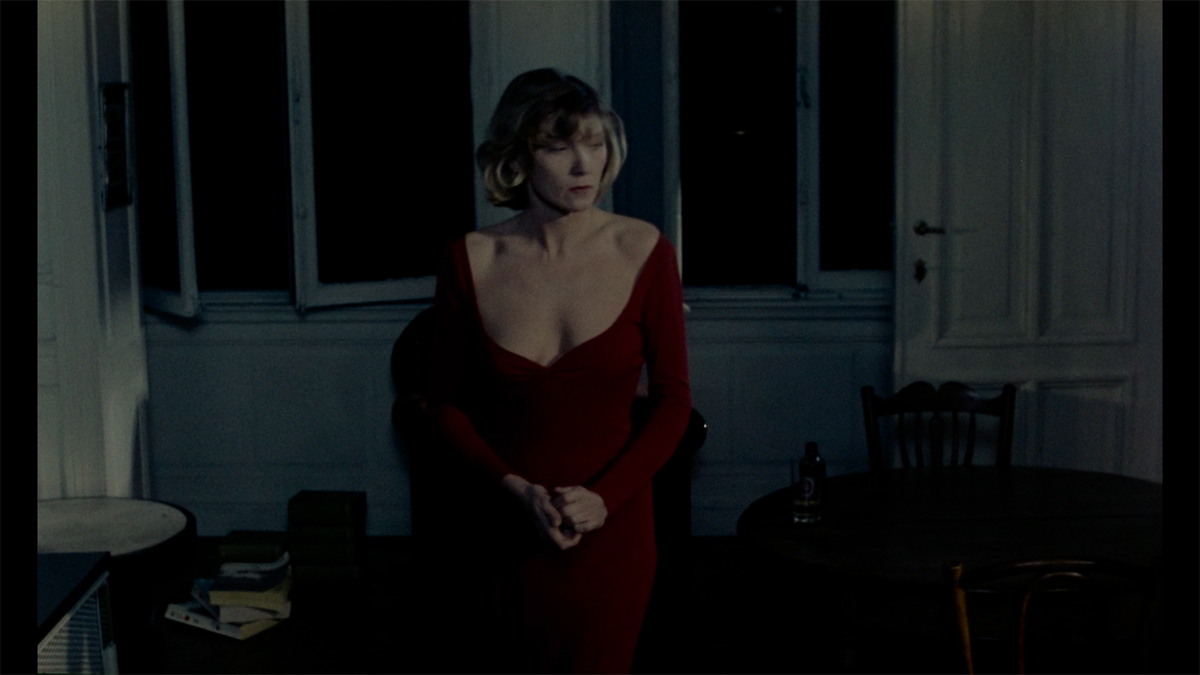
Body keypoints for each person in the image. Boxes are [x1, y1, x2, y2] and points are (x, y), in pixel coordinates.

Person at [427, 67, 693, 674]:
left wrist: (605, 499)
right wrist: (515, 489)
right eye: (557, 146)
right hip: (503, 531)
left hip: (611, 533)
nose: (583, 165)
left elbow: (674, 398)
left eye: (594, 144)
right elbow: (443, 406)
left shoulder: (644, 250)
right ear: (519, 155)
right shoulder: (471, 258)